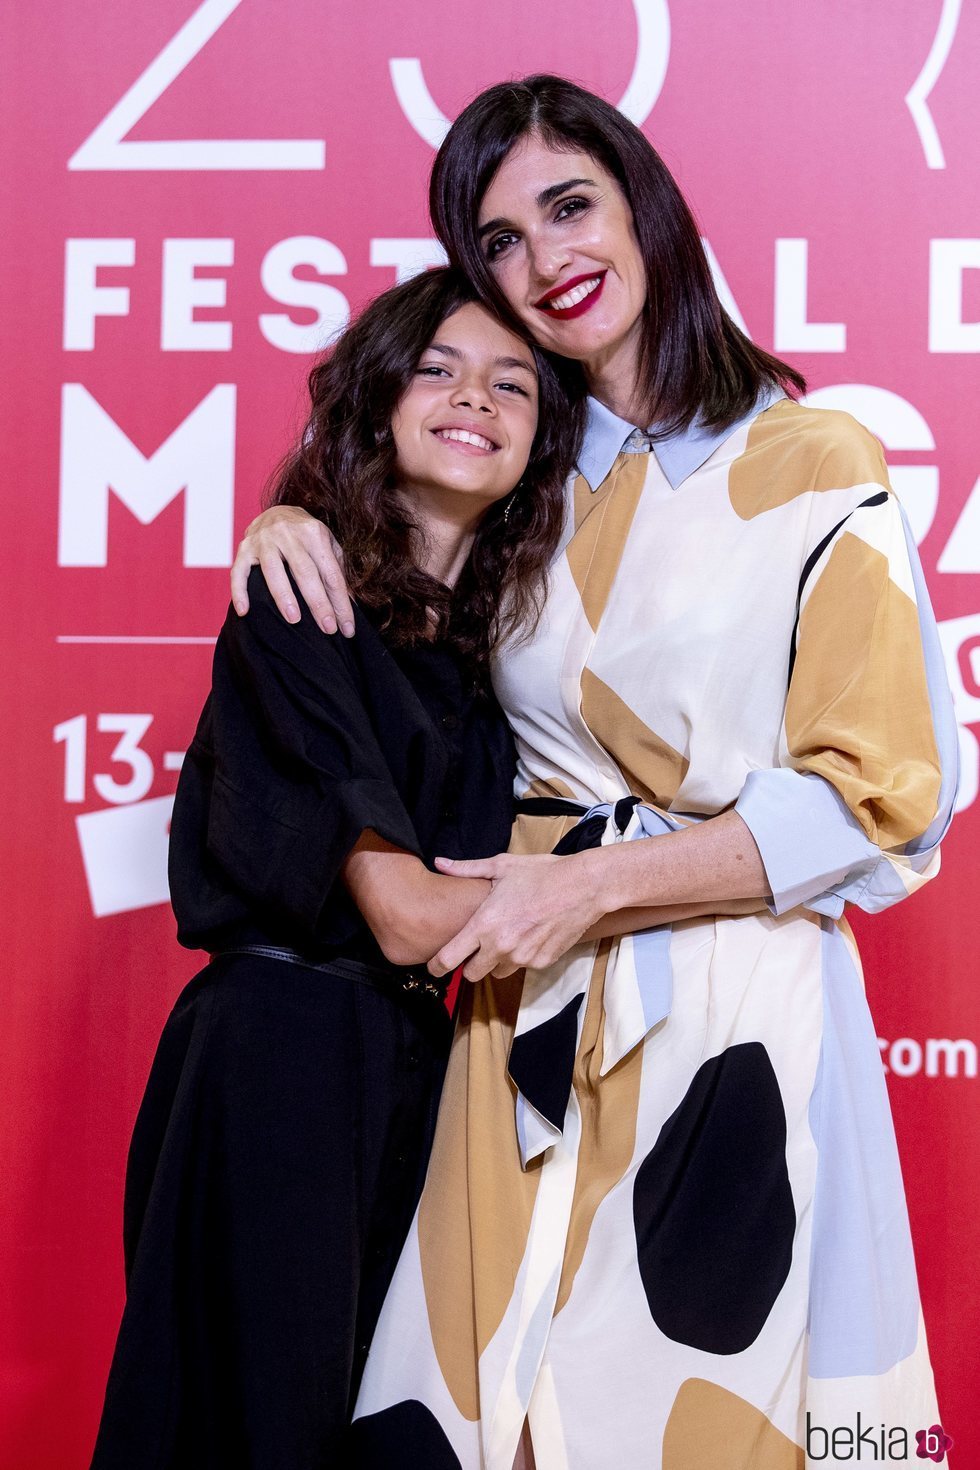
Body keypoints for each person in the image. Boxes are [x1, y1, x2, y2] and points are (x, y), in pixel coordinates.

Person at [231, 77, 957, 1470]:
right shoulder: (526, 465)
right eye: (496, 240)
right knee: (471, 1413)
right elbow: (395, 579)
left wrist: (598, 889)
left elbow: (882, 794)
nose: (543, 259)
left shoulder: (815, 461)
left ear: (644, 207)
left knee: (691, 1417)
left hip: (729, 1013)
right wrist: (284, 514)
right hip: (523, 1016)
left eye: (568, 206)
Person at [90, 266, 584, 1469]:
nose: (476, 398)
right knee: (261, 1427)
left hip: (421, 1069)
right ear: (376, 401)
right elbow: (409, 916)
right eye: (439, 369)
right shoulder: (299, 595)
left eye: (511, 383)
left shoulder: (503, 661)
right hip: (283, 1062)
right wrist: (634, 898)